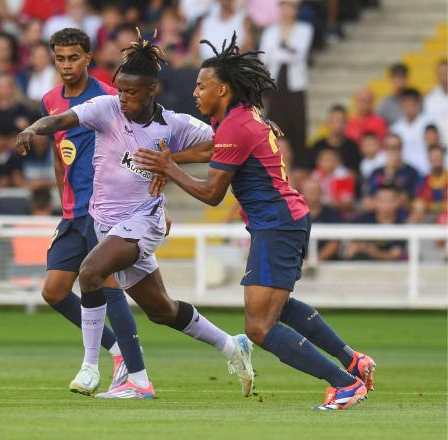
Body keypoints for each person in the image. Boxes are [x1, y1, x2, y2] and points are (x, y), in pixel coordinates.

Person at [135, 33, 375, 410]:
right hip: (283, 219)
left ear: (224, 89)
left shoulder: (236, 126)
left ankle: (345, 384)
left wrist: (168, 167)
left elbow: (213, 194)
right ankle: (353, 362)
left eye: (202, 86)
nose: (195, 92)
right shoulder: (243, 118)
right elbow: (212, 149)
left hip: (276, 223)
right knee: (277, 307)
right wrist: (170, 159)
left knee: (258, 327)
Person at [17, 30, 254, 400]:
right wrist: (33, 128)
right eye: (121, 89)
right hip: (105, 222)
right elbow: (61, 120)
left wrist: (169, 161)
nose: (122, 97)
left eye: (130, 92)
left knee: (91, 272)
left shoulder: (172, 125)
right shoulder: (106, 110)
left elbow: (217, 143)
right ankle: (230, 344)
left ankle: (95, 368)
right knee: (161, 310)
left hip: (144, 221)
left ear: (151, 90)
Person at [23, 28, 148, 398]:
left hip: (106, 209)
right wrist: (62, 197)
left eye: (73, 57)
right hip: (73, 210)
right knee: (55, 290)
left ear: (88, 57)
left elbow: (137, 143)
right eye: (60, 58)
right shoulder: (49, 100)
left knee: (107, 286)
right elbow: (59, 149)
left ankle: (133, 369)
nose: (66, 65)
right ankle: (116, 352)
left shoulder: (110, 97)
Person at [259, 0, 313, 162]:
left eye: (290, 6)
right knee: (275, 120)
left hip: (295, 84)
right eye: (284, 6)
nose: (287, 10)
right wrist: (286, 50)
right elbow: (263, 56)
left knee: (296, 122)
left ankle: (297, 161)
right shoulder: (270, 30)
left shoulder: (304, 29)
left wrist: (278, 51)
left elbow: (299, 54)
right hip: (275, 83)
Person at [345, 185, 406, 261]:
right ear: (375, 202)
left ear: (397, 202)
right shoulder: (362, 221)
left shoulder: (402, 225)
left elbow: (395, 255)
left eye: (390, 201)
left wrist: (374, 252)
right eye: (382, 201)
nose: (386, 205)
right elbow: (350, 250)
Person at [366, 133, 420, 210]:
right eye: (388, 148)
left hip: (403, 213)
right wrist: (389, 173)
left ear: (401, 149)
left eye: (395, 148)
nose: (392, 152)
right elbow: (370, 198)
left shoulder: (411, 172)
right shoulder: (376, 172)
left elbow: (408, 199)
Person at [390, 88, 436, 176]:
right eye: (406, 105)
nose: (409, 108)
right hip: (405, 173)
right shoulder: (395, 128)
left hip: (426, 170)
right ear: (402, 105)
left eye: (412, 104)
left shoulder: (429, 123)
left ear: (418, 104)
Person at [306, 104, 361, 174]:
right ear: (328, 122)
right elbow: (307, 171)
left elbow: (355, 175)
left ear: (346, 123)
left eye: (340, 121)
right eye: (334, 121)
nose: (337, 125)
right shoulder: (318, 146)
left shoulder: (352, 147)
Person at [423, 59, 447, 144]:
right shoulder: (429, 99)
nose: (444, 75)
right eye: (441, 73)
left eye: (446, 72)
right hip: (437, 149)